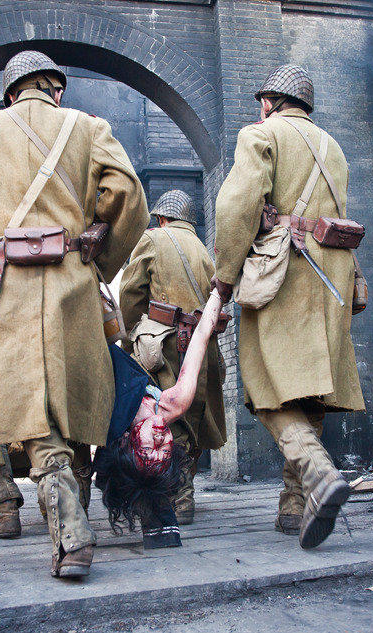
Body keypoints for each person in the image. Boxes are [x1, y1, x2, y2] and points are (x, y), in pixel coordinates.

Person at [0, 50, 149, 577]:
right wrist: (98, 257)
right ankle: (74, 518)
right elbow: (127, 194)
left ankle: (71, 533)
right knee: (73, 398)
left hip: (8, 285)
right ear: (56, 90)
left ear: (12, 93)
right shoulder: (89, 126)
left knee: (29, 403)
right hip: (72, 283)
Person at [211, 64, 365, 549]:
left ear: (269, 102)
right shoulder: (333, 147)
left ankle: (318, 474)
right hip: (332, 272)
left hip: (284, 272)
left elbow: (236, 206)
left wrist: (225, 273)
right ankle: (295, 505)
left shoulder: (261, 135)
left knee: (267, 385)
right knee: (310, 388)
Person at [119, 190, 226, 524]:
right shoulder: (204, 251)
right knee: (192, 417)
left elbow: (129, 293)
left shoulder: (153, 240)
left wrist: (135, 332)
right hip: (201, 345)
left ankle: (179, 497)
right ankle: (183, 486)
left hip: (162, 345)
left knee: (164, 415)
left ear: (162, 218)